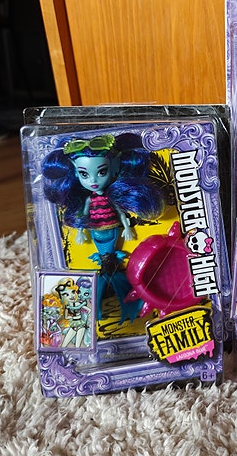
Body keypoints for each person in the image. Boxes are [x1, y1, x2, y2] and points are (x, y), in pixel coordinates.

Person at [42, 133, 164, 321]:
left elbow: (121, 213)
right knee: (105, 263)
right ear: (75, 173)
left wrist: (127, 228)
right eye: (84, 174)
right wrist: (80, 231)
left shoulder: (111, 197)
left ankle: (117, 289)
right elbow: (83, 215)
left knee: (111, 262)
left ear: (114, 167)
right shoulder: (88, 199)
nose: (93, 180)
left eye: (101, 172)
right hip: (96, 233)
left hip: (112, 231)